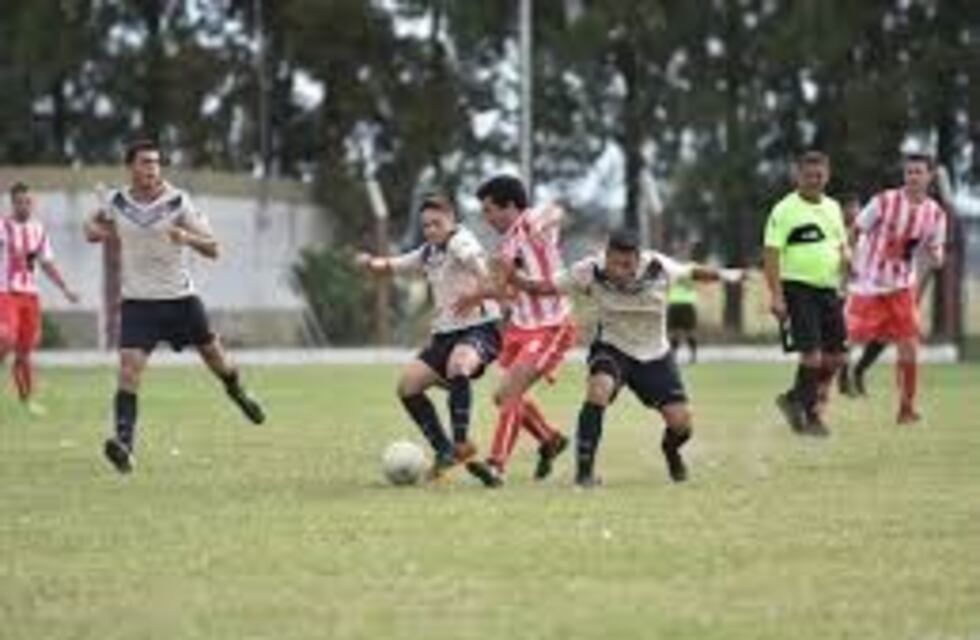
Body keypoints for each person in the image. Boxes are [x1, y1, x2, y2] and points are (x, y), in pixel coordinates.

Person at [84, 138, 265, 474]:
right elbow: (91, 226)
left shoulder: (178, 201)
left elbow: (214, 248)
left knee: (216, 359)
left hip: (180, 300)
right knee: (128, 369)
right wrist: (100, 232)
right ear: (131, 168)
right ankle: (124, 445)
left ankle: (237, 392)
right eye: (144, 162)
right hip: (138, 302)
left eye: (156, 162)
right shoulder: (116, 201)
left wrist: (187, 238)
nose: (152, 169)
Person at [508, 229, 743, 486]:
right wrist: (513, 276)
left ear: (638, 258)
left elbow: (691, 271)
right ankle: (584, 474)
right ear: (606, 256)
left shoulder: (657, 266)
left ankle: (671, 452)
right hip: (613, 347)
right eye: (616, 264)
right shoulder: (588, 270)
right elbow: (541, 287)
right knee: (599, 389)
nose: (622, 271)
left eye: (628, 265)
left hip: (654, 353)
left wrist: (728, 275)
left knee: (681, 425)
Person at [355, 196, 502, 480]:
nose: (432, 230)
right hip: (445, 336)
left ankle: (461, 443)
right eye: (426, 226)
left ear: (452, 221)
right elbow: (395, 265)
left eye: (438, 223)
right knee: (407, 386)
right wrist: (370, 263)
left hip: (481, 329)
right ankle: (444, 451)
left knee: (459, 365)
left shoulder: (462, 243)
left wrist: (478, 293)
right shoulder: (429, 253)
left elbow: (485, 273)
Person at [454, 175, 573, 488]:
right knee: (501, 396)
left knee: (512, 392)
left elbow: (557, 212)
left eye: (490, 210)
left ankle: (496, 466)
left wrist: (543, 221)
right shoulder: (505, 245)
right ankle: (549, 439)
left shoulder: (532, 221)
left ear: (510, 206)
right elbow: (507, 292)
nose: (487, 218)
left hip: (551, 326)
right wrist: (478, 295)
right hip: (520, 328)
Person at [845, 154, 947, 423]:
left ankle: (906, 408)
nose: (913, 177)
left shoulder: (935, 213)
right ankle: (816, 401)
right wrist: (851, 259)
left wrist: (936, 257)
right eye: (909, 172)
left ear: (929, 176)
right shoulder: (884, 201)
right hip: (868, 285)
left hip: (901, 287)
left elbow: (934, 250)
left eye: (918, 172)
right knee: (845, 341)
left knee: (909, 346)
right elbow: (855, 229)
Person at [763, 151, 849, 437]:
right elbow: (771, 255)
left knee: (836, 358)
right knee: (811, 356)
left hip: (828, 290)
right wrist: (776, 296)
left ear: (828, 175)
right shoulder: (784, 210)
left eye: (819, 175)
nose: (814, 180)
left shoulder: (834, 207)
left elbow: (840, 245)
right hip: (797, 289)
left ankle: (793, 398)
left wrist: (849, 262)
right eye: (809, 175)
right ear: (798, 176)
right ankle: (811, 415)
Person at [0, 182, 79, 415]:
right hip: (6, 293)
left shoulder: (38, 229)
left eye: (28, 202)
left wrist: (65, 289)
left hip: (31, 296)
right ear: (12, 203)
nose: (24, 206)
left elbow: (46, 264)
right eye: (19, 202)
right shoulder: (2, 227)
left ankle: (27, 401)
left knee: (25, 351)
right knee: (6, 338)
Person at [666, 242, 701, 364]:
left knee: (690, 331)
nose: (681, 254)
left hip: (688, 302)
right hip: (674, 302)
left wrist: (684, 279)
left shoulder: (692, 267)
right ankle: (673, 356)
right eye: (679, 252)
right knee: (673, 333)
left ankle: (693, 356)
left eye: (684, 252)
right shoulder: (671, 266)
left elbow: (694, 283)